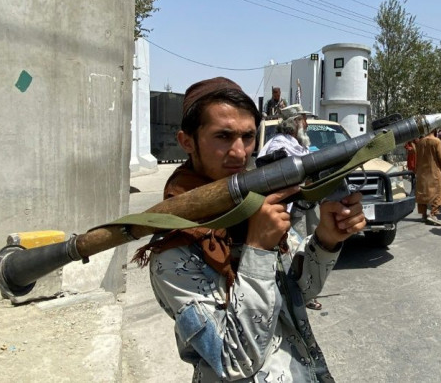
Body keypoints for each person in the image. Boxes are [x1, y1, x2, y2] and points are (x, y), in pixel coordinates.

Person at [136, 77, 365, 380]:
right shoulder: (174, 248)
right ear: (187, 141)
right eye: (223, 136)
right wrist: (258, 249)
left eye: (247, 136)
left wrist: (326, 239)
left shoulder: (252, 206)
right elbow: (233, 360)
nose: (240, 153)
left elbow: (300, 292)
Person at [257, 103, 322, 310]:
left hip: (305, 204)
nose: (307, 124)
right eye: (304, 120)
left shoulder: (296, 143)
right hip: (290, 209)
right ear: (295, 123)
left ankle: (305, 290)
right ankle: (301, 294)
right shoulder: (278, 147)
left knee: (311, 247)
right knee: (297, 252)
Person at [414, 129, 441, 226]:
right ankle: (433, 214)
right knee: (438, 193)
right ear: (435, 130)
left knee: (422, 193)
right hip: (434, 172)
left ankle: (424, 215)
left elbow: (417, 157)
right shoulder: (437, 141)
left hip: (421, 172)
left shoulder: (420, 142)